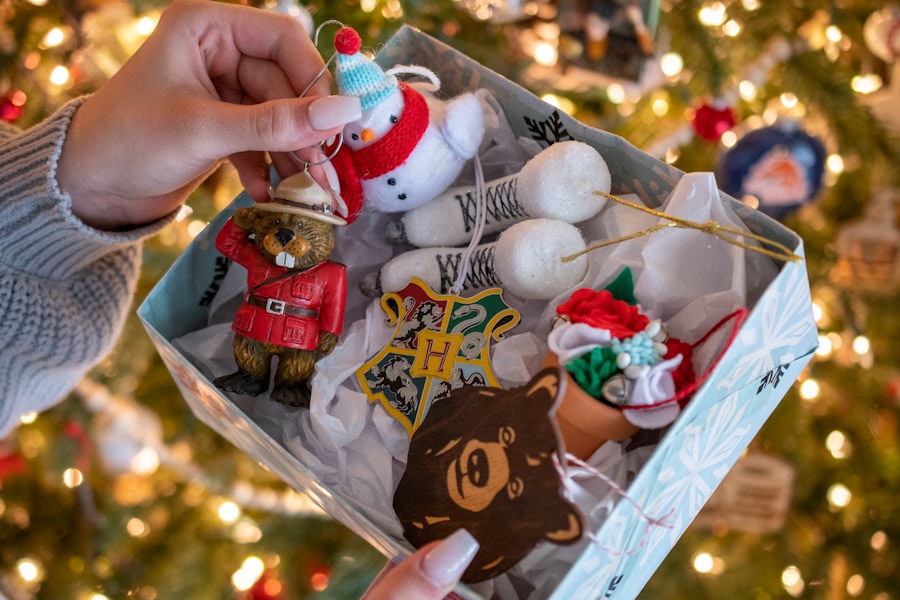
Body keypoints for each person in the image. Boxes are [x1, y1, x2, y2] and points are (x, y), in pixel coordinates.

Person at [0, 0, 478, 596]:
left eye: (297, 234)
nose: (285, 242)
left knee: (296, 369)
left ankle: (291, 382)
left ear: (323, 237)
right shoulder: (263, 253)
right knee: (253, 365)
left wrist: (91, 185)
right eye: (281, 231)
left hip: (300, 341)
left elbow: (332, 307)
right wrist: (253, 229)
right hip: (255, 330)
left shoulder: (325, 271)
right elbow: (232, 237)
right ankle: (259, 381)